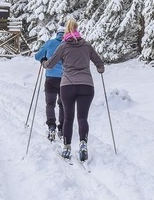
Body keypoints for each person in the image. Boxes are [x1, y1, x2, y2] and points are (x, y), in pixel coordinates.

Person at [42, 19, 104, 162]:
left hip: (68, 85)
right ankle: (83, 144)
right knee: (82, 118)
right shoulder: (87, 45)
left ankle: (67, 148)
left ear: (66, 31)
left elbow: (50, 64)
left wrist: (44, 63)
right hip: (87, 85)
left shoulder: (63, 46)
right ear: (77, 29)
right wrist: (100, 69)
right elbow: (99, 63)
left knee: (68, 118)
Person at [34, 25, 65, 142]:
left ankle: (51, 126)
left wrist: (44, 60)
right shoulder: (68, 44)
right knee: (63, 104)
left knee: (50, 104)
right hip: (64, 79)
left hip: (51, 78)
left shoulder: (50, 43)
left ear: (57, 34)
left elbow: (37, 56)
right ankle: (61, 128)